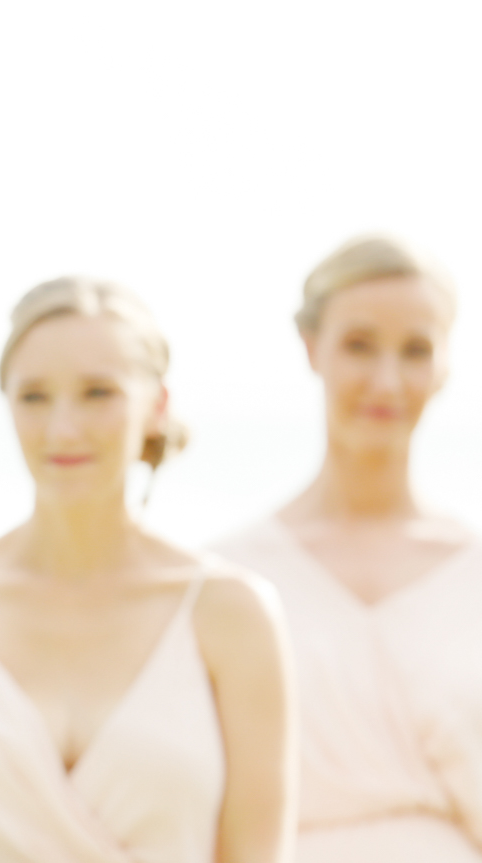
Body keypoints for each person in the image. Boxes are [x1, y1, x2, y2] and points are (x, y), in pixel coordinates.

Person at [0, 276, 297, 863]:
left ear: (157, 406)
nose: (62, 429)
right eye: (33, 396)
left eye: (98, 393)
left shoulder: (231, 614)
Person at [212, 235, 482, 862]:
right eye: (360, 345)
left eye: (415, 350)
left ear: (444, 366)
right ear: (312, 347)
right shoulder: (230, 576)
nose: (386, 381)